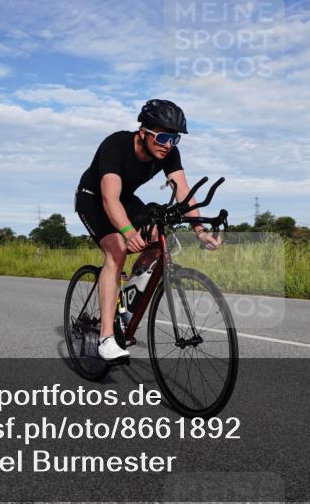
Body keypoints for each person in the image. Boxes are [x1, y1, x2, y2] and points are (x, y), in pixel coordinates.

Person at [75, 99, 221, 361]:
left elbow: (184, 192)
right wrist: (129, 233)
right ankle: (106, 338)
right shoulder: (116, 145)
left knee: (158, 239)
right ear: (143, 132)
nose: (168, 145)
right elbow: (109, 199)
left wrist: (199, 230)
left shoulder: (169, 152)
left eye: (174, 139)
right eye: (163, 137)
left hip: (126, 198)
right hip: (93, 197)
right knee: (117, 252)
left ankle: (125, 305)